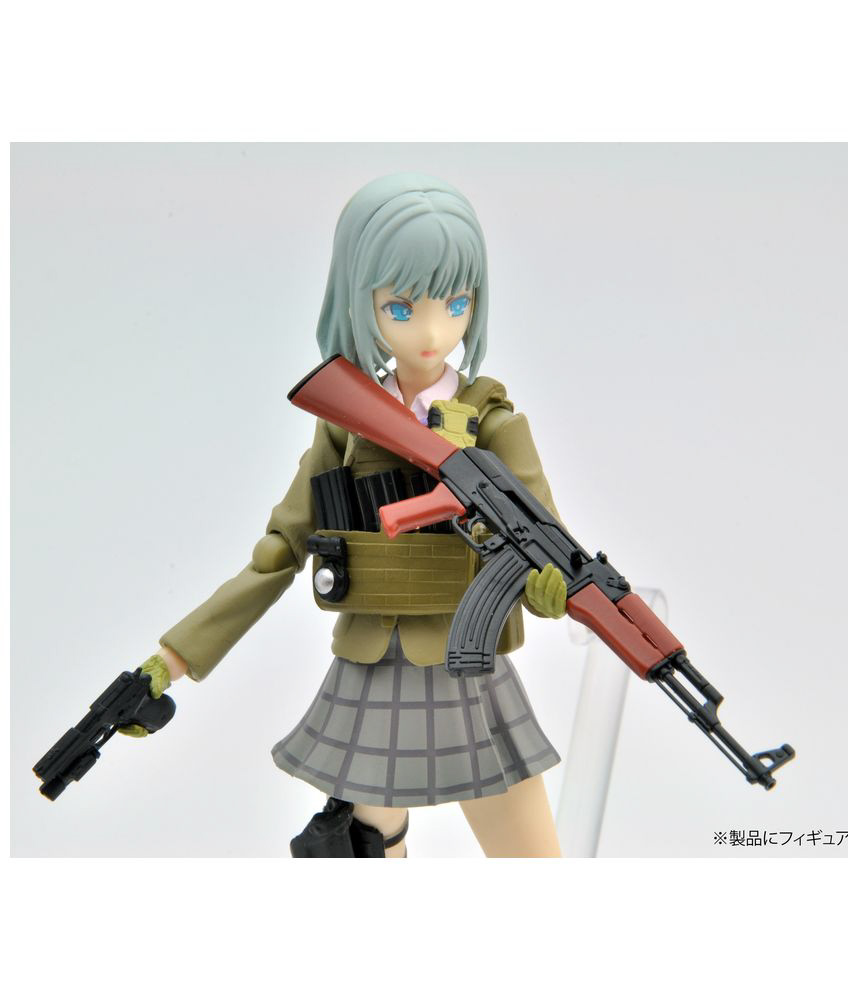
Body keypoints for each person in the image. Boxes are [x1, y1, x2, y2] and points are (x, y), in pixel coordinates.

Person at [133, 174, 568, 858]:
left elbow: (546, 536)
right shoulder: (348, 421)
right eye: (402, 307)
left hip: (467, 662)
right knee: (368, 845)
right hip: (374, 662)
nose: (433, 331)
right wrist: (176, 657)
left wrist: (551, 587)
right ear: (360, 301)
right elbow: (281, 548)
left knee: (530, 854)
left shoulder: (491, 420)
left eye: (456, 303)